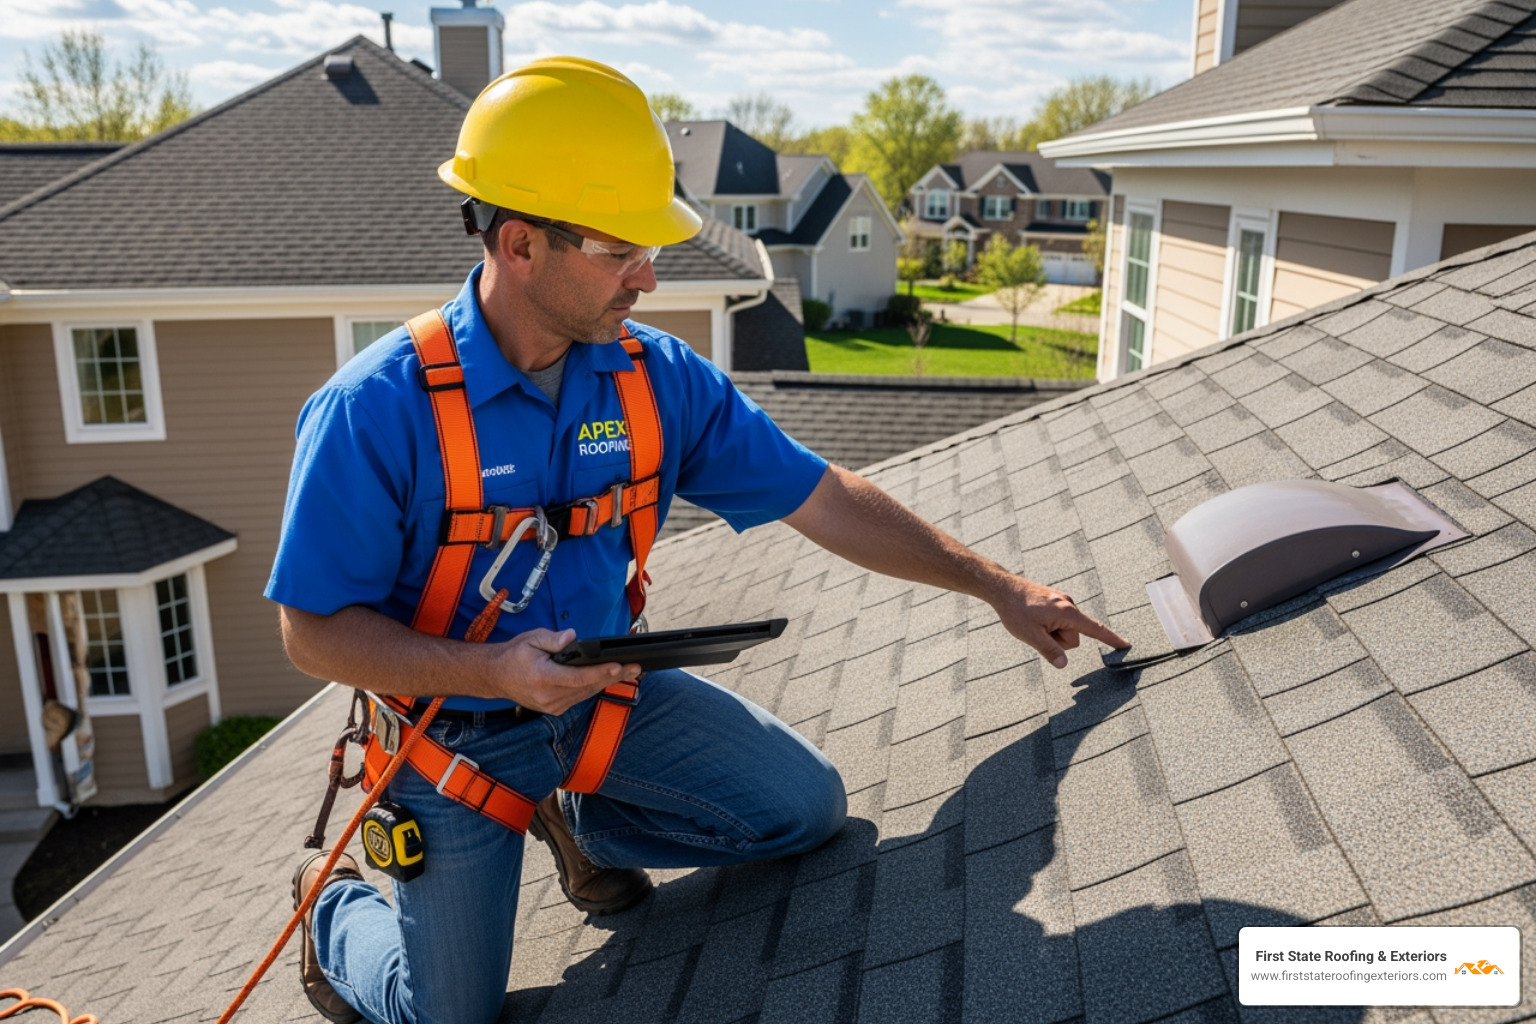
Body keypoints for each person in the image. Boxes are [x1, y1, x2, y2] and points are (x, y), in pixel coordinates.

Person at [266, 56, 1128, 1024]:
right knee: (445, 1015)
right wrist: (495, 670)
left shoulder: (654, 378)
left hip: (600, 698)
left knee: (804, 810)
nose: (649, 274)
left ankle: (583, 820)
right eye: (617, 249)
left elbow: (827, 496)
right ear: (518, 245)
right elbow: (315, 634)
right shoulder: (374, 410)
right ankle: (332, 905)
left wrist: (999, 587)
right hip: (450, 733)